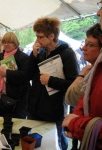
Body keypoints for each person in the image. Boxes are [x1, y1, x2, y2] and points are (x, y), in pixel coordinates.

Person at [26, 17, 79, 150]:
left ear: (51, 36)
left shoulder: (67, 54)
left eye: (40, 37)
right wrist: (33, 55)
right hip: (35, 109)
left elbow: (74, 85)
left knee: (55, 145)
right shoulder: (41, 52)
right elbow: (27, 74)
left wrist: (50, 81)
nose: (37, 40)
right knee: (36, 145)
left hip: (53, 112)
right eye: (36, 36)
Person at [62, 18, 102, 150]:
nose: (84, 48)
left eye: (90, 45)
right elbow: (83, 100)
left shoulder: (91, 71)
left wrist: (75, 123)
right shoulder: (94, 71)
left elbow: (70, 96)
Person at [0, 32, 30, 119]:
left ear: (15, 43)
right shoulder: (0, 57)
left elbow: (25, 76)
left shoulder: (23, 57)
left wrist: (7, 73)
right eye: (4, 42)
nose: (6, 44)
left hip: (16, 102)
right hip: (0, 98)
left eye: (9, 42)